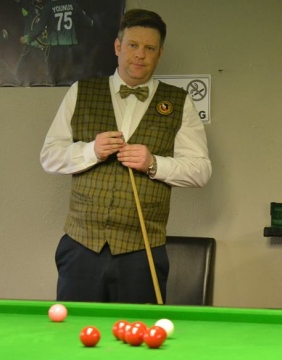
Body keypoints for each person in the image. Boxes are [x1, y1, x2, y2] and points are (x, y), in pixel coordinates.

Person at [39, 9, 211, 304]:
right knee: (75, 342)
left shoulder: (179, 102)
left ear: (159, 54)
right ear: (118, 47)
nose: (140, 54)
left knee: (138, 342)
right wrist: (90, 150)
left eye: (149, 48)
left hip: (143, 251)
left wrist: (154, 163)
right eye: (133, 45)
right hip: (81, 247)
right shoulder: (81, 91)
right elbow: (49, 157)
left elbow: (201, 171)